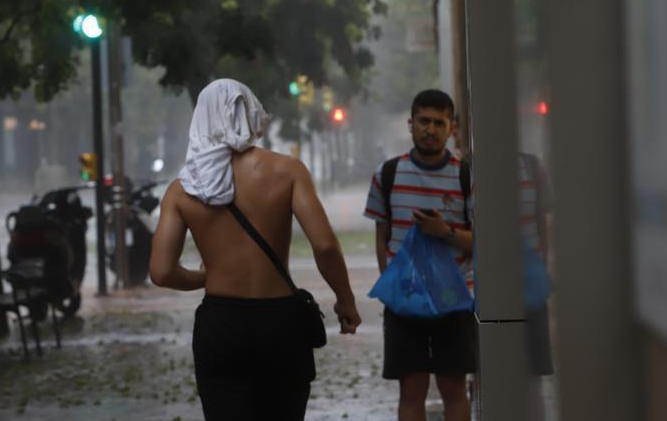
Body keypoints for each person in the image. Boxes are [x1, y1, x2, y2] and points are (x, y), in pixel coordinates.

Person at [149, 78, 361, 421]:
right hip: (281, 324)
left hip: (221, 325)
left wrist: (205, 277)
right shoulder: (287, 171)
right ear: (251, 113)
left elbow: (161, 272)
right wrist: (345, 299)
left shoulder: (183, 189)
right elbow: (324, 246)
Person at [363, 89, 475, 421]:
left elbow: (483, 242)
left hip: (454, 298)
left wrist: (446, 232)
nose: (430, 129)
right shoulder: (387, 174)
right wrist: (390, 284)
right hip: (404, 302)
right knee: (411, 388)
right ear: (410, 124)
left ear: (451, 128)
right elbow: (382, 234)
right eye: (423, 121)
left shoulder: (466, 175)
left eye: (439, 123)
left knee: (454, 387)